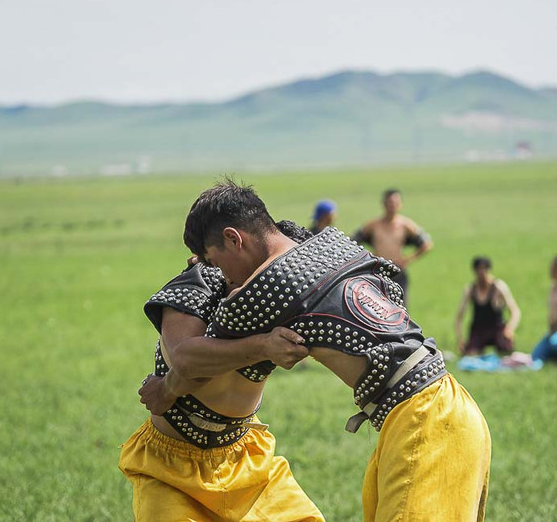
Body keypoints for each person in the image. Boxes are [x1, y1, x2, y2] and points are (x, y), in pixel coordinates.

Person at [177, 180, 491, 521]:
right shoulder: (333, 244)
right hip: (450, 403)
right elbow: (389, 285)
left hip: (425, 425)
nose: (223, 277)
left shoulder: (267, 286)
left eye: (216, 262)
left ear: (233, 239)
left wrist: (164, 391)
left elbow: (188, 359)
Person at [119, 221, 324, 522]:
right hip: (171, 469)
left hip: (246, 464)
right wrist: (265, 346)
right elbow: (188, 362)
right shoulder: (199, 285)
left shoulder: (285, 306)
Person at [353, 188, 433, 305]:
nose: (392, 206)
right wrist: (367, 258)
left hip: (397, 271)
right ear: (383, 204)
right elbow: (353, 240)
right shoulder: (373, 225)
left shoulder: (406, 225)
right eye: (390, 203)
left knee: (400, 309)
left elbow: (427, 244)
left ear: (400, 204)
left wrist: (408, 259)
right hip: (378, 272)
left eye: (396, 203)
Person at [455, 256, 521, 357]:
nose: (481, 272)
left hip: (496, 328)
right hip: (478, 329)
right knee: (471, 354)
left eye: (484, 269)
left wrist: (509, 329)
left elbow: (515, 312)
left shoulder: (499, 287)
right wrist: (460, 338)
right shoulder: (470, 290)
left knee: (505, 354)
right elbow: (459, 316)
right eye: (479, 269)